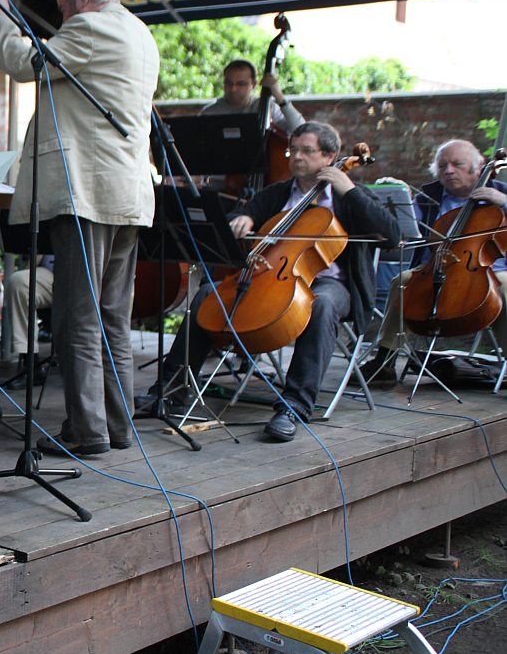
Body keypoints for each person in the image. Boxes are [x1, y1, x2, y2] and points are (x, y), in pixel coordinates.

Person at [0, 0, 159, 456]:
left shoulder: (91, 27)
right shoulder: (139, 32)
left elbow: (23, 62)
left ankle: (88, 432)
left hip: (88, 194)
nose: (60, 16)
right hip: (126, 195)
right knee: (112, 319)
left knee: (77, 317)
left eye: (61, 7)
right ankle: (117, 427)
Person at [141, 121, 398, 440]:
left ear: (329, 156)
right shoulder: (277, 193)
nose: (297, 158)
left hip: (333, 284)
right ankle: (170, 391)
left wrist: (348, 187)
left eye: (307, 151)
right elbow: (240, 216)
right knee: (209, 294)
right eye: (294, 150)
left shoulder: (347, 197)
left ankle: (295, 405)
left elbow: (392, 236)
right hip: (272, 279)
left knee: (322, 305)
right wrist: (243, 218)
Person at [362, 139, 507, 385]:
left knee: (504, 290)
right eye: (443, 166)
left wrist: (501, 200)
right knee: (402, 281)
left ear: (478, 167)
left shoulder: (501, 192)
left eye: (457, 164)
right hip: (435, 269)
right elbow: (407, 230)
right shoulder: (428, 196)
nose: (449, 170)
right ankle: (385, 362)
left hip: (492, 270)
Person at [200, 59, 303, 134]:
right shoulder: (209, 112)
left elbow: (300, 130)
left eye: (241, 84)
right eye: (228, 83)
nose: (233, 89)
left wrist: (279, 97)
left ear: (253, 85)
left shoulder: (268, 108)